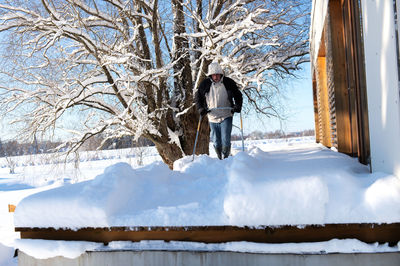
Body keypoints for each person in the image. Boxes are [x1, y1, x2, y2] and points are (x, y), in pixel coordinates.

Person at [195, 62, 242, 159]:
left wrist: (238, 105)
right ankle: (219, 157)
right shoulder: (205, 84)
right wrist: (200, 108)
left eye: (217, 74)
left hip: (226, 115)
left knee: (225, 139)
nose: (216, 77)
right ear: (210, 75)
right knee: (216, 141)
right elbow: (198, 97)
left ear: (221, 74)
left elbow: (238, 95)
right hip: (212, 116)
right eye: (213, 75)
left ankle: (226, 157)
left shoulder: (228, 82)